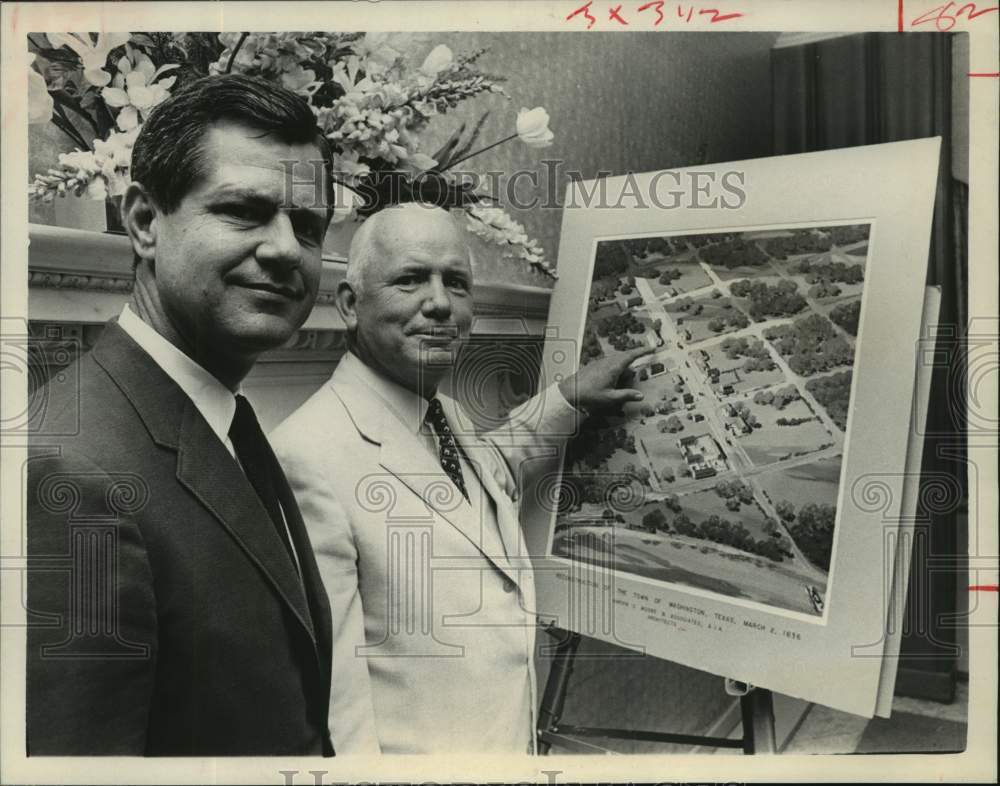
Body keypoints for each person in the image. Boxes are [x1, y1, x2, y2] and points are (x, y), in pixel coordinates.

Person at [26, 74, 337, 756]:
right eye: (243, 211)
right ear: (143, 222)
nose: (286, 248)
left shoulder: (222, 419)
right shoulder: (68, 472)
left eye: (307, 226)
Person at [271, 202, 650, 754]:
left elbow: (485, 476)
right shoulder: (306, 457)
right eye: (410, 280)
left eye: (456, 282)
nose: (441, 303)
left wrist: (570, 397)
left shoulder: (444, 413)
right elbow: (336, 706)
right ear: (350, 304)